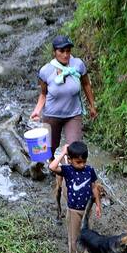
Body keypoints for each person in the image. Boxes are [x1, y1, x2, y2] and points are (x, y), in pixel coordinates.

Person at [31, 34, 97, 219]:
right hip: (52, 115)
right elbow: (43, 94)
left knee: (75, 151)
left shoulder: (78, 65)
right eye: (62, 51)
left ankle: (73, 186)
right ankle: (45, 169)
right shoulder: (46, 71)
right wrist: (37, 110)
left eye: (68, 51)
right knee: (45, 152)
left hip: (73, 114)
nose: (66, 54)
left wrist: (92, 105)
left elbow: (86, 85)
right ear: (55, 52)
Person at [48, 140, 102, 253]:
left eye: (84, 161)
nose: (82, 165)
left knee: (88, 237)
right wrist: (63, 153)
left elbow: (94, 187)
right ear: (70, 159)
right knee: (74, 238)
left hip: (88, 210)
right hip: (73, 211)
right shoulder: (67, 170)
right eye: (78, 162)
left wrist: (98, 205)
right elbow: (52, 167)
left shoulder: (89, 170)